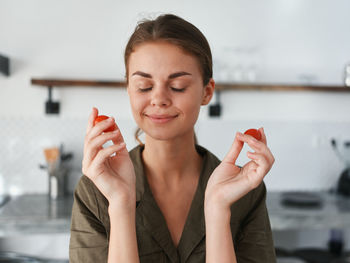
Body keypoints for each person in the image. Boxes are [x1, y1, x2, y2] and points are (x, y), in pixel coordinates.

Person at [69, 13, 276, 263]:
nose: (159, 99)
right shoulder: (96, 190)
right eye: (144, 86)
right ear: (129, 90)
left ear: (207, 92)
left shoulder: (245, 192)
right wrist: (121, 205)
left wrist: (218, 209)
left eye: (177, 86)